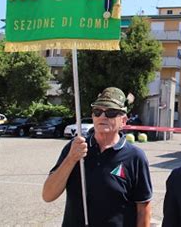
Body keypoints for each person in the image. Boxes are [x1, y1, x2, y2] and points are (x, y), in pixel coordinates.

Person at [42, 87, 153, 227]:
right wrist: (71, 159)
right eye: (97, 111)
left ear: (123, 121)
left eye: (111, 112)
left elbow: (143, 208)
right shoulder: (75, 148)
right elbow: (48, 195)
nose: (102, 116)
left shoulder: (135, 157)